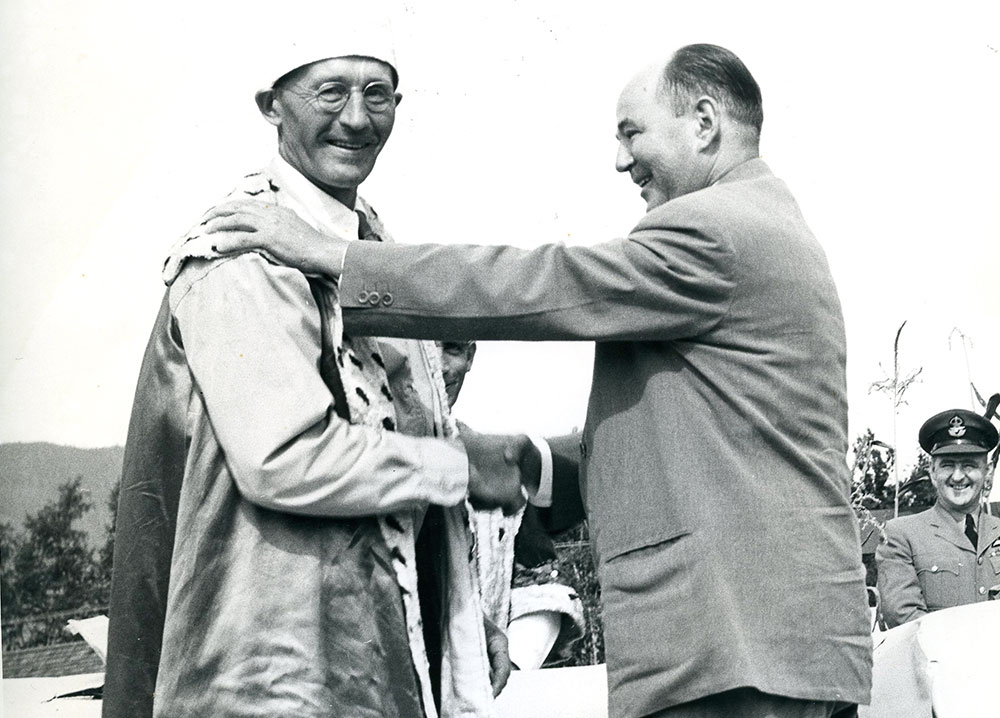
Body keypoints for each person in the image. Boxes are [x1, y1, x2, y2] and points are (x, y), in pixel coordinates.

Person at [203, 43, 872, 717]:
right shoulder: (770, 223)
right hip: (781, 647)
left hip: (733, 652)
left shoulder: (714, 230)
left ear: (703, 124)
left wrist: (337, 258)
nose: (620, 159)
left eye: (632, 132)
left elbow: (539, 285)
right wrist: (535, 465)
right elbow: (710, 443)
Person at [102, 24, 528, 718]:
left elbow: (397, 434)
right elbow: (286, 454)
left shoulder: (367, 248)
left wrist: (459, 612)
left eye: (378, 94)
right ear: (273, 104)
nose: (357, 119)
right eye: (331, 91)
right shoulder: (241, 253)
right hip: (263, 671)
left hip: (365, 664)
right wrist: (462, 466)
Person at [440, 340, 585, 670]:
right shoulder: (351, 455)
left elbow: (542, 590)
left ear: (470, 355)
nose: (442, 367)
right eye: (425, 352)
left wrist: (513, 666)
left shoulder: (497, 470)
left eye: (451, 349)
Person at [876, 409, 1000, 628]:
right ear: (932, 472)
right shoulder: (901, 535)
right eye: (948, 465)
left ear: (987, 471)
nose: (958, 476)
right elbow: (903, 617)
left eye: (969, 464)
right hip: (936, 660)